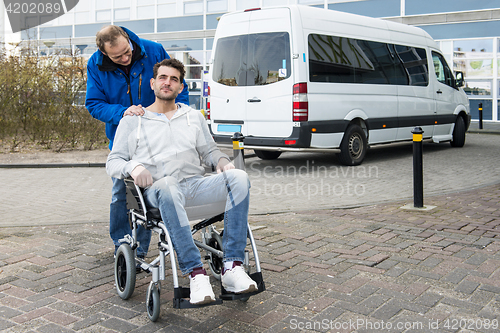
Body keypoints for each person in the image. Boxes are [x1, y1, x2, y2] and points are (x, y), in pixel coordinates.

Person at [106, 58, 258, 305]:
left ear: (180, 87)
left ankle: (232, 267)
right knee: (167, 184)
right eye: (163, 78)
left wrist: (221, 162)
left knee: (239, 178)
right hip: (157, 191)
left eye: (174, 79)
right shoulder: (133, 120)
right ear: (153, 83)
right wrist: (133, 166)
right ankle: (196, 274)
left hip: (194, 187)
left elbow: (209, 151)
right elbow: (113, 162)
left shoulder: (193, 117)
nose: (168, 83)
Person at [85, 25, 189, 263]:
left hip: (157, 138)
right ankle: (122, 244)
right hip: (123, 139)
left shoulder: (153, 50)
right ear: (104, 53)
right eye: (116, 57)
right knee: (120, 194)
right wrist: (123, 112)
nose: (124, 58)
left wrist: (180, 114)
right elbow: (94, 103)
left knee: (146, 191)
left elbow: (175, 84)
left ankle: (140, 248)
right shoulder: (95, 64)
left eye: (127, 52)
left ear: (128, 40)